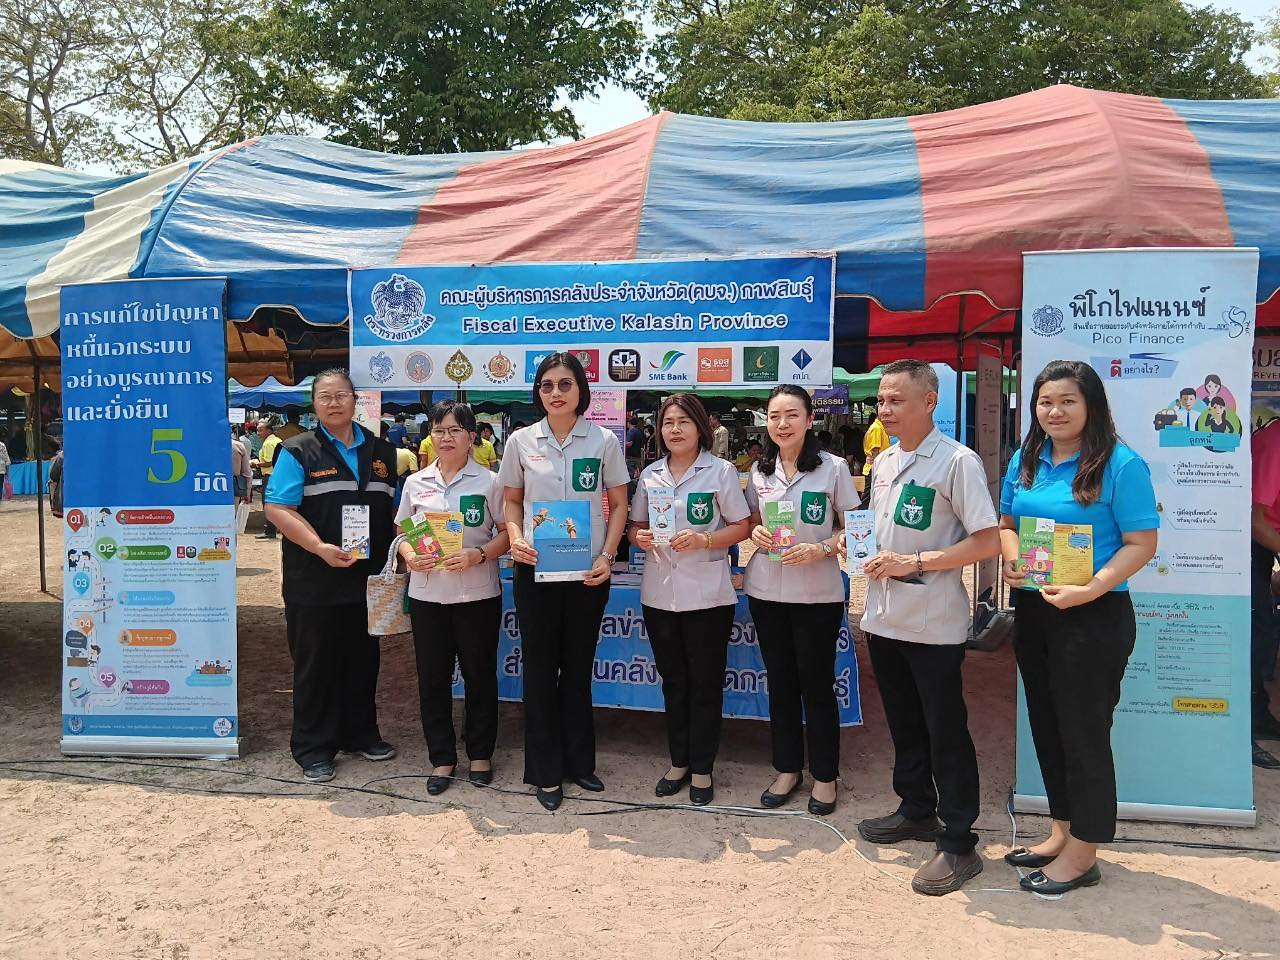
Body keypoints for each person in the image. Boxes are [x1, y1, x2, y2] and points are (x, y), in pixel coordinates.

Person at [999, 360, 1159, 894]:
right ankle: (1062, 831)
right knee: (1046, 723)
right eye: (1045, 401)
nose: (1055, 411)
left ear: (1091, 404)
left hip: (1094, 615)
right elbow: (1006, 524)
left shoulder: (1121, 464)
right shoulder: (1027, 458)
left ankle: (1084, 852)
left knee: (1083, 732)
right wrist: (1014, 558)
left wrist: (1090, 588)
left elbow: (1142, 543)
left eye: (1068, 400)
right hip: (1036, 609)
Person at [856, 359, 1000, 896]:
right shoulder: (885, 460)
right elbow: (883, 529)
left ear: (930, 401)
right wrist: (858, 544)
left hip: (933, 620)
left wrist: (914, 562)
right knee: (904, 722)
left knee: (945, 729)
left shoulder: (957, 462)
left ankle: (959, 839)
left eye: (895, 400)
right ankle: (916, 808)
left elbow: (986, 540)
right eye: (880, 400)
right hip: (884, 615)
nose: (884, 410)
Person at [498, 351, 630, 811]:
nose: (556, 392)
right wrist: (516, 537)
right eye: (547, 385)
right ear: (538, 392)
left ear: (581, 390)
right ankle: (545, 772)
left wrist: (608, 556)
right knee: (539, 670)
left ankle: (579, 763)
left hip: (588, 573)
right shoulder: (520, 441)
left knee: (577, 669)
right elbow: (511, 502)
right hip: (535, 569)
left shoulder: (603, 441)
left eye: (565, 384)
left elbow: (619, 503)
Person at [263, 369, 399, 783]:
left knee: (363, 660)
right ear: (314, 404)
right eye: (325, 396)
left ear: (355, 400)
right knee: (316, 665)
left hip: (366, 580)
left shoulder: (382, 450)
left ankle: (361, 733)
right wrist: (319, 547)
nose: (334, 403)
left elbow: (394, 511)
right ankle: (314, 747)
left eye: (341, 395)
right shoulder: (298, 450)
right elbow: (277, 509)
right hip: (314, 580)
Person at [629, 394, 751, 806]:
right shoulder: (650, 474)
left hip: (708, 596)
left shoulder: (720, 472)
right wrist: (640, 538)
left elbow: (742, 526)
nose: (675, 429)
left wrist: (705, 539)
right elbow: (635, 527)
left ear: (700, 427)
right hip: (659, 594)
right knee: (674, 682)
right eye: (668, 423)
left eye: (683, 421)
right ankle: (678, 762)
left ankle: (702, 768)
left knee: (705, 685)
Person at [744, 385, 857, 817]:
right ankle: (787, 769)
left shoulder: (834, 469)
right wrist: (755, 531)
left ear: (810, 420)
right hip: (767, 592)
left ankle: (825, 776)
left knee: (817, 684)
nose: (782, 424)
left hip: (817, 595)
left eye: (792, 415)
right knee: (780, 683)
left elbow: (854, 529)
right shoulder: (759, 471)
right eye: (774, 416)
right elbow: (751, 521)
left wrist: (823, 548)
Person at [397, 401, 510, 794]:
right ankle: (442, 757)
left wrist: (479, 554)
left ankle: (480, 754)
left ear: (471, 437)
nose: (446, 438)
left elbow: (507, 533)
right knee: (432, 679)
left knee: (480, 677)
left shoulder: (490, 482)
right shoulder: (416, 482)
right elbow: (403, 530)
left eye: (455, 430)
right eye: (439, 430)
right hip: (428, 596)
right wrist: (410, 554)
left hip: (477, 595)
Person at [1249, 418, 1280, 769]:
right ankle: (1244, 730)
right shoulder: (1275, 443)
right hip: (1249, 545)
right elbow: (1256, 521)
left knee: (1263, 631)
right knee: (1255, 634)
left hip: (1267, 544)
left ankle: (1259, 715)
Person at [254, 420, 282, 539]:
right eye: (257, 430)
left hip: (270, 475)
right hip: (278, 475)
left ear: (269, 430)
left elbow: (269, 462)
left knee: (268, 503)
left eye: (261, 430)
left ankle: (269, 530)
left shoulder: (268, 443)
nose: (258, 433)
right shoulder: (278, 440)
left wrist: (255, 464)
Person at [0, 435, 8, 500]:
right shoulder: (2, 445)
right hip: (1, 469)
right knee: (0, 484)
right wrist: (7, 471)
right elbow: (6, 458)